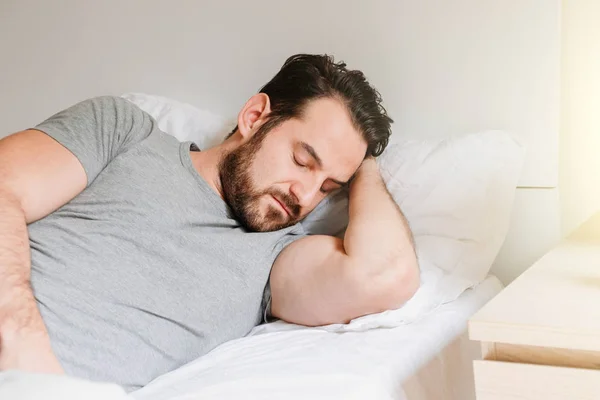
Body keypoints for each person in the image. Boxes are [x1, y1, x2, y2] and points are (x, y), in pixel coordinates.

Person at [0, 54, 419, 391]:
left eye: (329, 186)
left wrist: (362, 163)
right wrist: (21, 345)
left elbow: (383, 275)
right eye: (302, 160)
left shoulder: (275, 257)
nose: (305, 196)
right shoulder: (125, 132)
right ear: (255, 116)